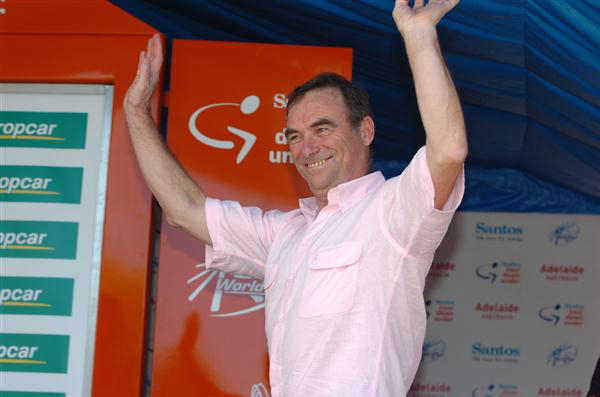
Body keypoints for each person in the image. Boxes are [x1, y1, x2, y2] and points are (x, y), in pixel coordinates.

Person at [124, 0, 466, 396]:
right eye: (294, 136)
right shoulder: (284, 235)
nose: (307, 148)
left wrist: (419, 35)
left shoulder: (392, 215)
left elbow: (448, 151)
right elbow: (185, 209)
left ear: (366, 131)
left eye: (322, 129)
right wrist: (136, 112)